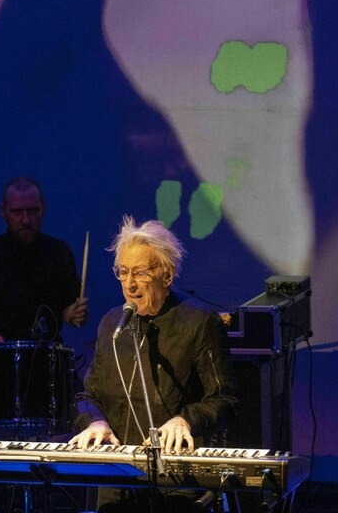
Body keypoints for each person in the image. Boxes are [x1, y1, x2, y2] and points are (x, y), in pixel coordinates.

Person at [69, 216, 236, 509]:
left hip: (178, 481)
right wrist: (94, 421)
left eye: (141, 273)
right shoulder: (112, 323)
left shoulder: (199, 322)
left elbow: (225, 401)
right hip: (117, 480)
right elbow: (87, 396)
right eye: (123, 272)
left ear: (167, 275)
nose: (130, 284)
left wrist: (185, 419)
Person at [0, 177, 88, 405]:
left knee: (85, 412)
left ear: (43, 209)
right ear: (3, 211)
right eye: (17, 211)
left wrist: (73, 314)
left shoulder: (59, 252)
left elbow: (67, 309)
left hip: (47, 361)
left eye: (32, 211)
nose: (26, 219)